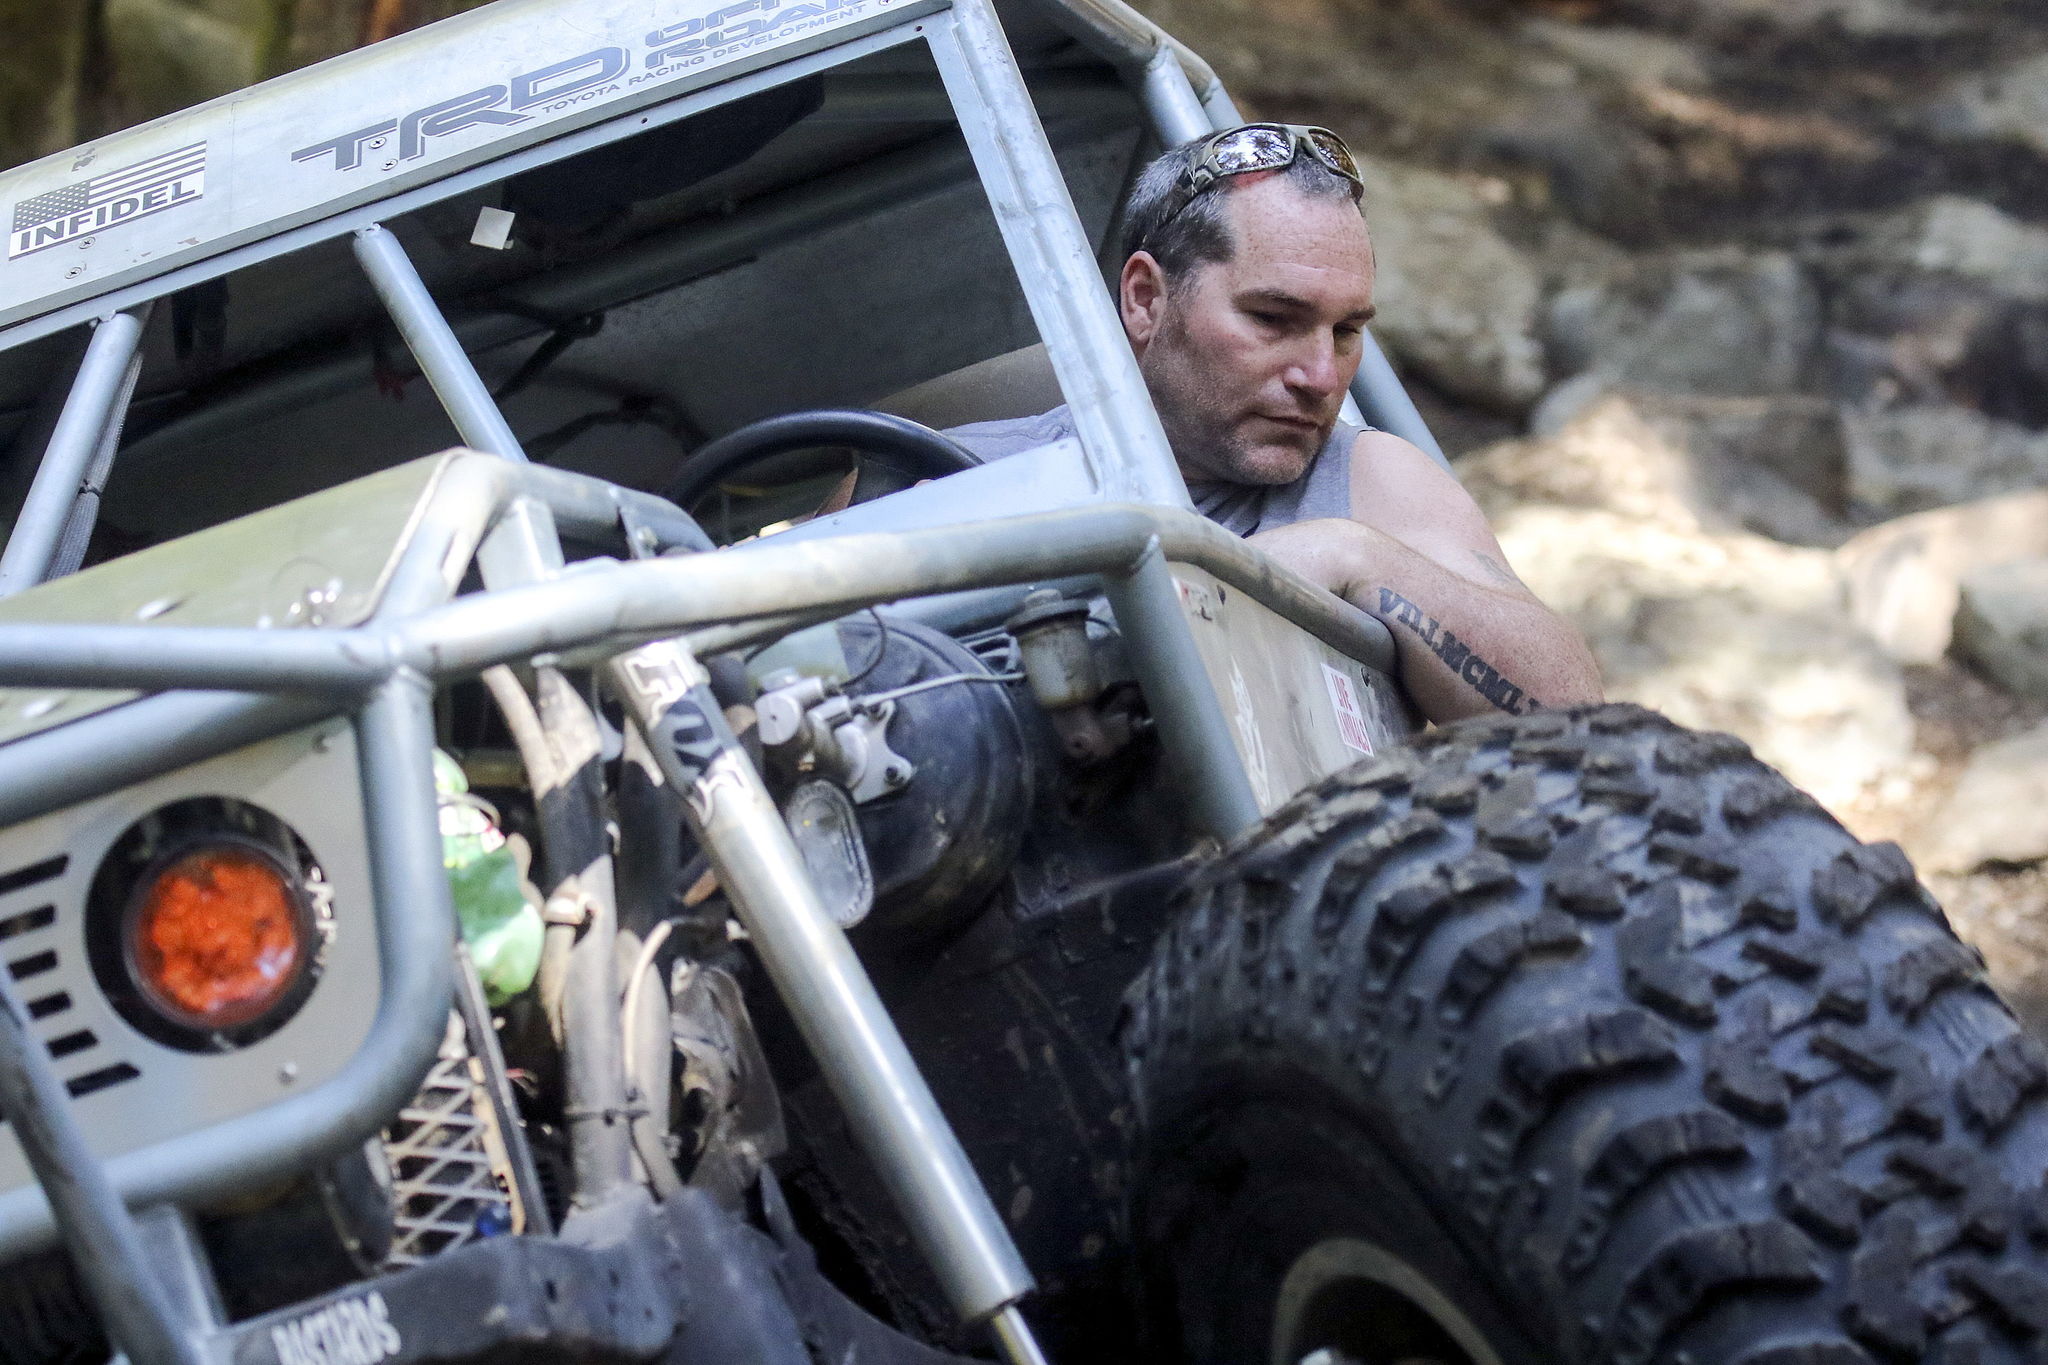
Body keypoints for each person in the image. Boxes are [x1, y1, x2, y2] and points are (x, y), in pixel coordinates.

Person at [949, 125, 1603, 723]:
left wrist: (1352, 555)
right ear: (1146, 299)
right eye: (1273, 318)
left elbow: (1581, 732)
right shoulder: (951, 474)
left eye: (1346, 330)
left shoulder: (1368, 483)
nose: (1321, 376)